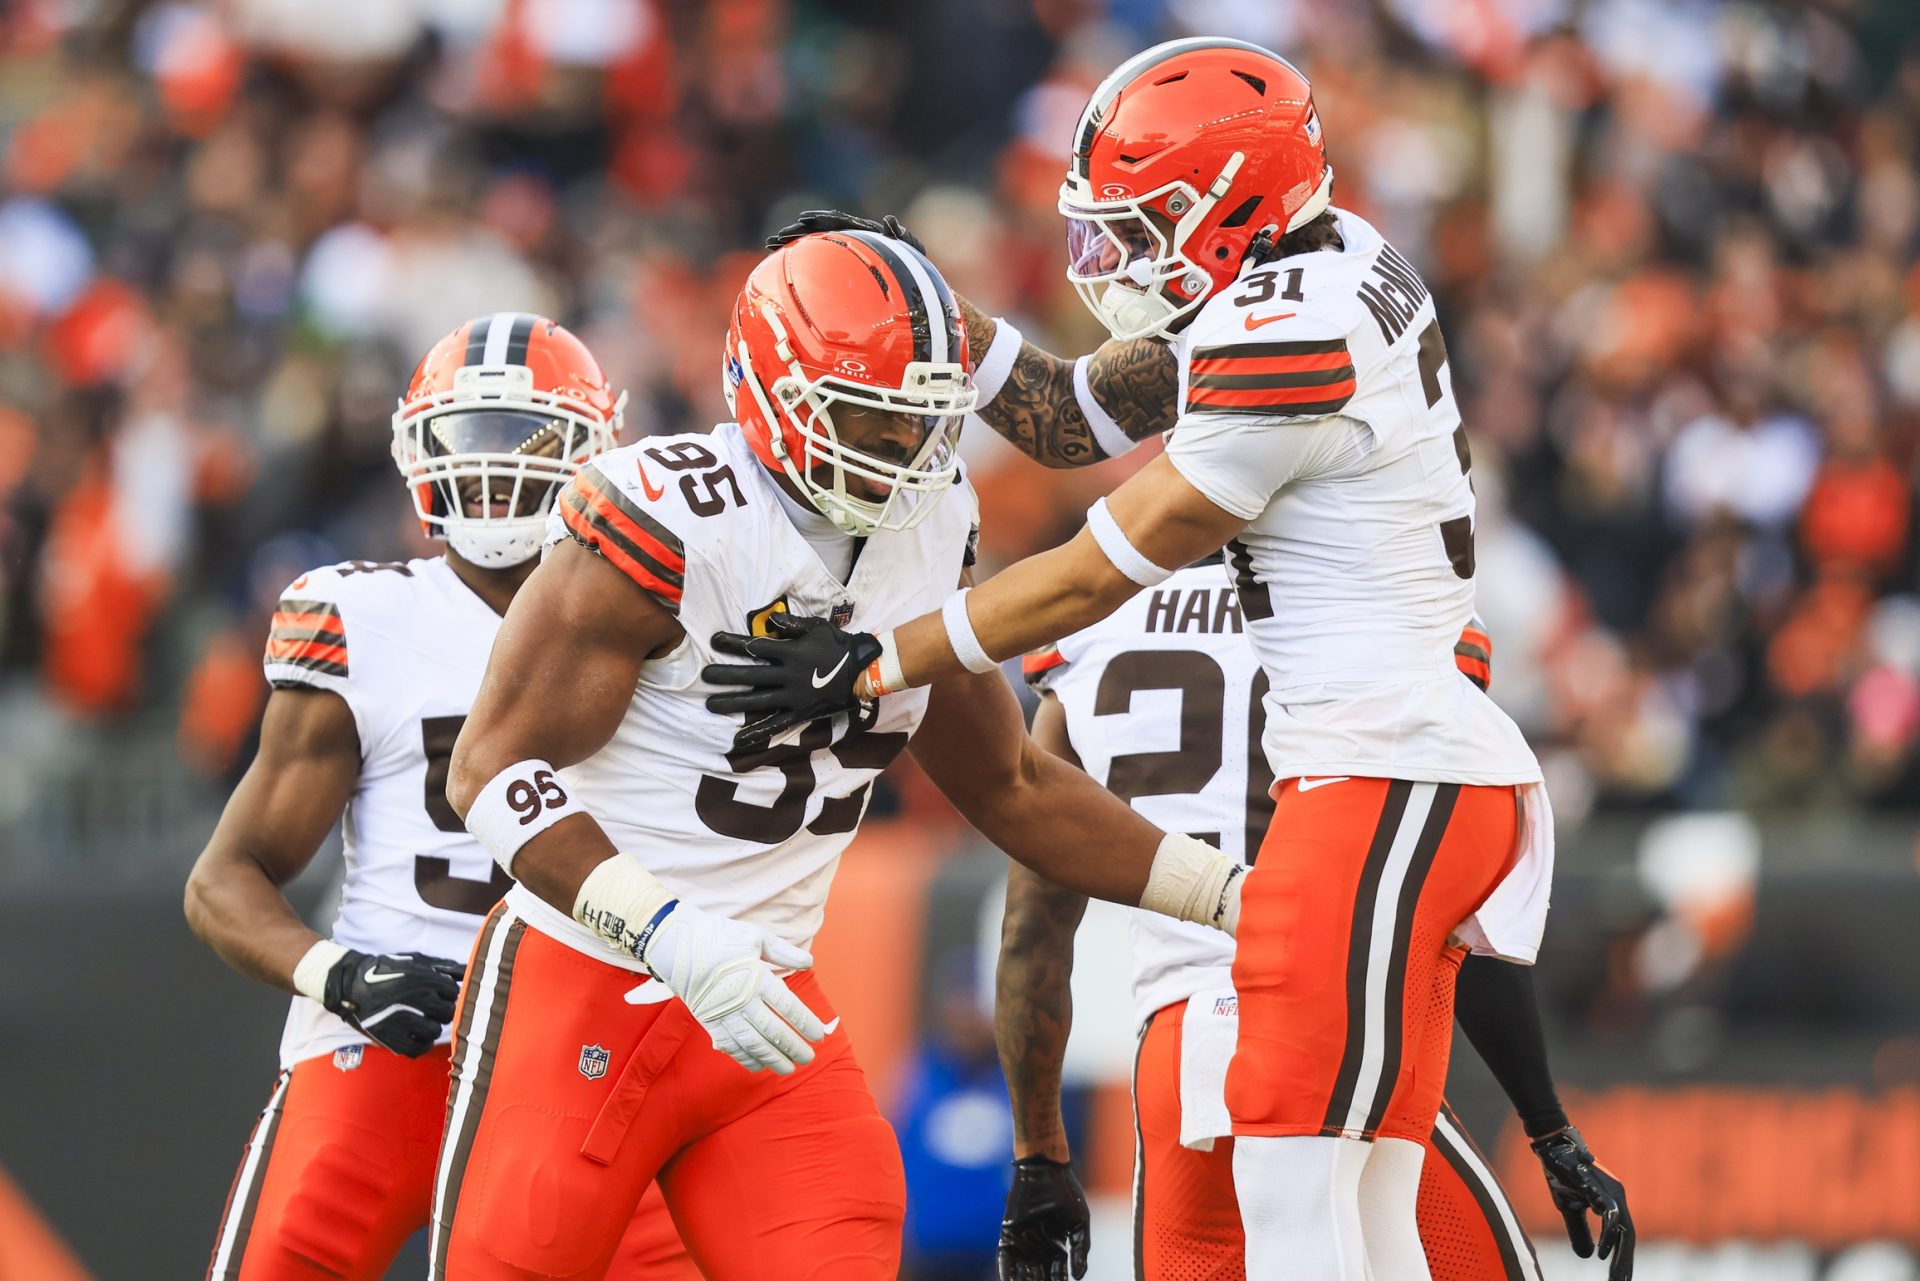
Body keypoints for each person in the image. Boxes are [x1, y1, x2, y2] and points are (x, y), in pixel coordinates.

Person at [707, 38, 1614, 1280]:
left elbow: (1094, 568)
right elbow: (1068, 412)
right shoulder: (1326, 262)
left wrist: (873, 661)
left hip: (1381, 768)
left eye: (1146, 226)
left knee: (1296, 1201)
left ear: (1238, 204)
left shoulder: (1287, 330)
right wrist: (918, 291)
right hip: (1389, 767)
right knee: (1366, 1210)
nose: (1121, 259)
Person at [433, 231, 1247, 1281]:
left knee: (849, 1232)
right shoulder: (669, 517)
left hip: (768, 1004)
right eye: (876, 412)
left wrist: (1236, 898)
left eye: (926, 412)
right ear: (775, 393)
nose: (908, 442)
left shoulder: (931, 520)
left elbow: (1012, 785)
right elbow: (488, 772)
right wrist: (671, 934)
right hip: (589, 982)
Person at [183, 316, 698, 1280]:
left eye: (528, 439)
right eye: (471, 439)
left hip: (578, 1041)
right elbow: (224, 878)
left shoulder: (667, 615)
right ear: (417, 451)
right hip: (395, 1023)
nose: (498, 472)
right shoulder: (365, 614)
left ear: (601, 453)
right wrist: (340, 976)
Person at [995, 577, 1633, 1281]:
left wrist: (1038, 1155)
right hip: (1332, 1024)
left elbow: (1033, 930)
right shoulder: (1384, 590)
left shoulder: (1092, 613)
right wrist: (1547, 1124)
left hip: (1178, 1054)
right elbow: (1443, 885)